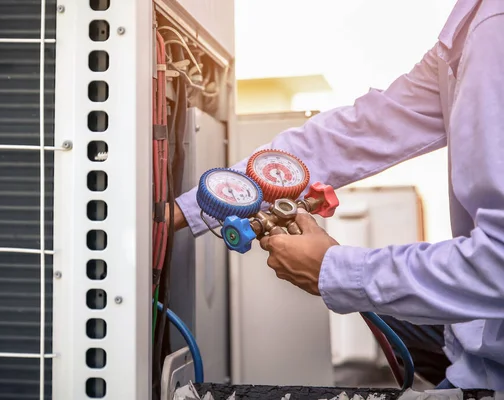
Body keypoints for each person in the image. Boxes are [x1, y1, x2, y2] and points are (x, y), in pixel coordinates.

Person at [168, 0, 504, 391]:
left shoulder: (494, 28)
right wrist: (184, 209)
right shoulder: (474, 24)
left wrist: (334, 269)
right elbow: (360, 132)